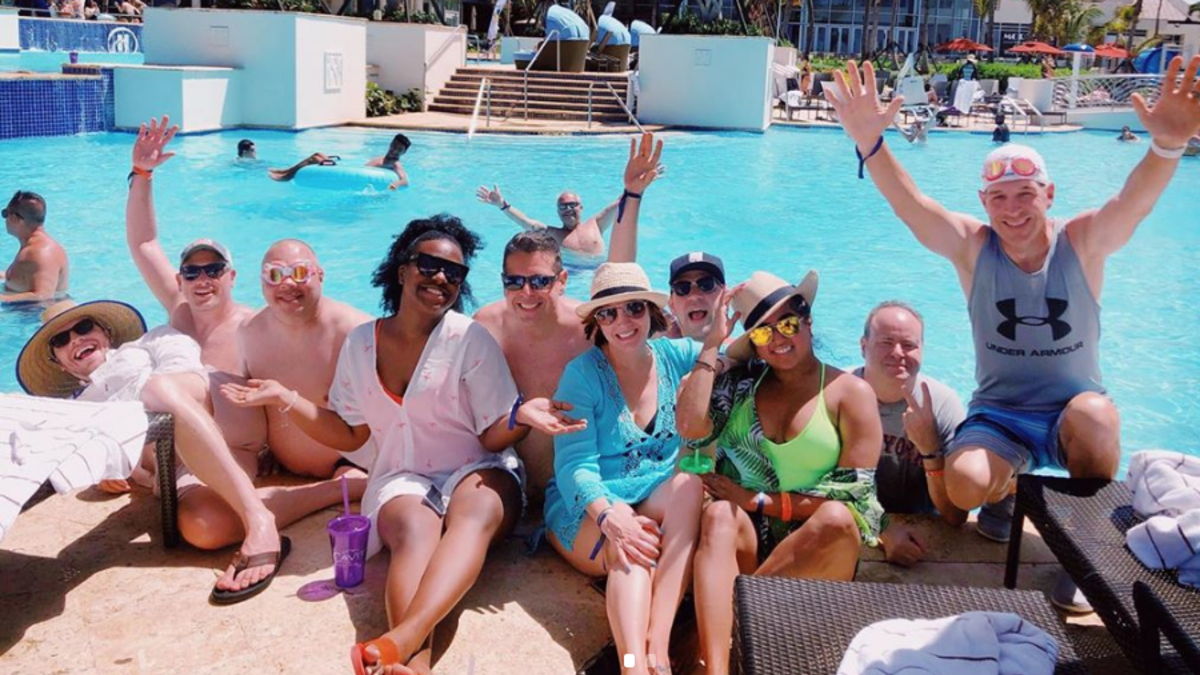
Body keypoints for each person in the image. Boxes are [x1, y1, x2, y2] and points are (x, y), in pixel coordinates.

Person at [824, 56, 1200, 609]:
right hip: (1001, 415)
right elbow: (913, 207)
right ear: (984, 203)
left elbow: (1132, 204)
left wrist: (1167, 146)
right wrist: (870, 144)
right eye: (999, 197)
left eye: (1025, 193)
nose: (1013, 209)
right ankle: (1006, 492)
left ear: (1049, 195)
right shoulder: (974, 249)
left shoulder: (1082, 242)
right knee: (964, 484)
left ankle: (1083, 552)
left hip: (1070, 412)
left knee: (1097, 416)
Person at [221, 215, 585, 675]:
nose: (440, 278)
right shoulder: (361, 344)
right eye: (429, 265)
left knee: (474, 512)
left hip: (482, 467)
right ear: (402, 270)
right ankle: (416, 665)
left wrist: (519, 417)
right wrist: (286, 399)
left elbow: (490, 436)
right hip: (403, 476)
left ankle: (404, 640)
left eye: (453, 272)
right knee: (414, 530)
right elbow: (351, 434)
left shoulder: (469, 338)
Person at [125, 116, 367, 551]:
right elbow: (144, 245)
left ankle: (328, 491)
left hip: (230, 454)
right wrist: (142, 174)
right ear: (180, 280)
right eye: (192, 272)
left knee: (207, 526)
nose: (203, 280)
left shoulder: (255, 326)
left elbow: (301, 376)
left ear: (233, 276)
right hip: (175, 452)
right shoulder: (179, 312)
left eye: (214, 270)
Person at [676, 271, 884, 675]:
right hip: (749, 545)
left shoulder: (850, 393)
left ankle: (726, 628)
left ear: (808, 322)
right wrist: (713, 346)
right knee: (718, 515)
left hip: (816, 554)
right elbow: (690, 427)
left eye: (788, 324)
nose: (778, 338)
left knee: (837, 519)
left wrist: (756, 500)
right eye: (762, 332)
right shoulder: (742, 384)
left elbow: (856, 499)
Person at [16, 300, 288, 605]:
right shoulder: (78, 411)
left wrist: (134, 414)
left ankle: (258, 519)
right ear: (58, 362)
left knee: (157, 391)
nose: (76, 339)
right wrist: (109, 471)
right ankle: (324, 493)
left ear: (105, 332)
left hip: (222, 413)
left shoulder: (150, 342)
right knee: (203, 527)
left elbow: (185, 370)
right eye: (61, 340)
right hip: (183, 462)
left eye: (83, 327)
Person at [545, 262, 708, 675]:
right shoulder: (581, 376)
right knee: (633, 552)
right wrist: (609, 515)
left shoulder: (676, 356)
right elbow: (574, 465)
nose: (622, 321)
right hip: (589, 505)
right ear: (597, 322)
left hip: (650, 492)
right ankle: (634, 665)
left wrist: (720, 343)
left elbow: (732, 357)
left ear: (651, 312)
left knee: (689, 485)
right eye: (608, 313)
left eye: (634, 307)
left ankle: (658, 644)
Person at [237, 239, 373, 480]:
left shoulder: (357, 333)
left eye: (300, 272)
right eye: (275, 274)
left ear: (320, 275)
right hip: (284, 468)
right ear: (262, 282)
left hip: (353, 467)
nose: (287, 283)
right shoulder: (249, 331)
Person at [474, 231, 591, 504]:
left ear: (562, 281)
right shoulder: (485, 328)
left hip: (575, 485)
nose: (526, 293)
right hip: (509, 484)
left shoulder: (590, 330)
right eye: (514, 282)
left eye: (539, 281)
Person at [855, 301, 968, 568]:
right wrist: (883, 529)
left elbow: (955, 515)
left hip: (922, 533)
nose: (898, 353)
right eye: (886, 342)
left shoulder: (942, 405)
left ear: (922, 350)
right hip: (855, 520)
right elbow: (822, 487)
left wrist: (931, 450)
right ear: (863, 346)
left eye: (908, 345)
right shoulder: (840, 394)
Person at [607, 132, 726, 343]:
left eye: (707, 284)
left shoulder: (746, 352)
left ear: (726, 297)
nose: (694, 295)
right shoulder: (662, 343)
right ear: (671, 305)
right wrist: (632, 193)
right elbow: (618, 277)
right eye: (682, 289)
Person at [475, 183, 622, 261]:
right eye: (563, 207)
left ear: (581, 207)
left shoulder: (596, 223)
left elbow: (621, 203)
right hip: (572, 276)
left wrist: (634, 183)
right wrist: (502, 205)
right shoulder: (553, 234)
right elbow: (525, 222)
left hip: (598, 272)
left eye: (572, 205)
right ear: (558, 212)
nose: (568, 209)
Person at [2, 190, 69, 304]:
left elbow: (43, 296)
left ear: (14, 218)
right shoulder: (33, 246)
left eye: (5, 214)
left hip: (38, 314)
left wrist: (2, 299)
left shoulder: (40, 252)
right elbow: (26, 278)